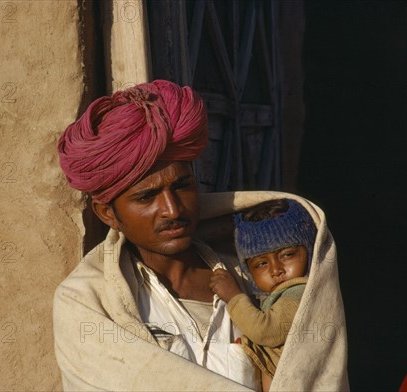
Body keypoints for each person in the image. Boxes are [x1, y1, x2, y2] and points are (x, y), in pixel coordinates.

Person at [54, 79, 349, 391]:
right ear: (108, 214)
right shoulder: (86, 302)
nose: (172, 209)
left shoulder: (254, 276)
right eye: (146, 198)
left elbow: (314, 370)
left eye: (182, 186)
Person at [210, 199, 317, 392]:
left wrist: (233, 296)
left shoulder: (298, 292)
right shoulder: (275, 295)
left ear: (309, 252)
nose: (276, 270)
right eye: (261, 264)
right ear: (249, 270)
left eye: (287, 255)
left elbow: (266, 331)